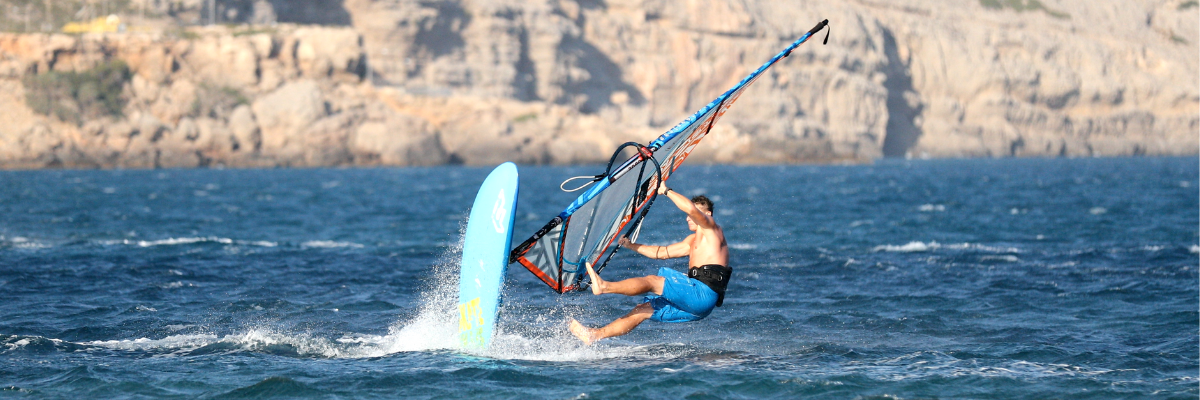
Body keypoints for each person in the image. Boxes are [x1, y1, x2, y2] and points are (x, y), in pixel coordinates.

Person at [568, 182, 732, 344]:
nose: (688, 218)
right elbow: (662, 252)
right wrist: (631, 246)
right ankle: (594, 335)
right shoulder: (692, 241)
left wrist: (666, 190)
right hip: (696, 305)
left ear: (708, 214)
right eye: (689, 216)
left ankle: (605, 287)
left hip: (703, 294)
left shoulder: (713, 229)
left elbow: (690, 209)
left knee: (653, 281)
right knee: (643, 310)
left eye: (695, 214)